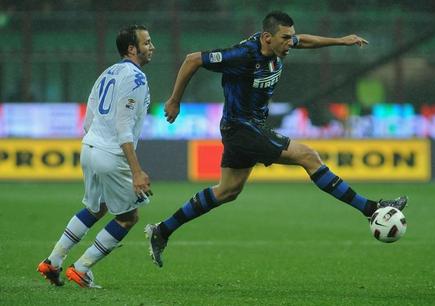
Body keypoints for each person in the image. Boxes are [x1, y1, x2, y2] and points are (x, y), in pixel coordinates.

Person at [145, 11, 407, 268]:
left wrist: (341, 40)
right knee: (307, 156)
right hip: (241, 128)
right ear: (267, 37)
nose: (290, 42)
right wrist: (174, 100)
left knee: (227, 191)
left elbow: (303, 40)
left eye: (290, 37)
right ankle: (371, 208)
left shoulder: (280, 44)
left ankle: (162, 230)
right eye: (285, 38)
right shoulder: (243, 55)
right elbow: (192, 60)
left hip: (248, 128)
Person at [37, 24, 155, 287]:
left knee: (96, 207)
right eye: (147, 43)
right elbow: (124, 128)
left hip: (89, 147)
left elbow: (89, 118)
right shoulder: (136, 78)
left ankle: (53, 261)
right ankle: (81, 268)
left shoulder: (107, 73)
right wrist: (136, 171)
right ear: (132, 49)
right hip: (111, 153)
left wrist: (94, 145)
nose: (152, 47)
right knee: (128, 218)